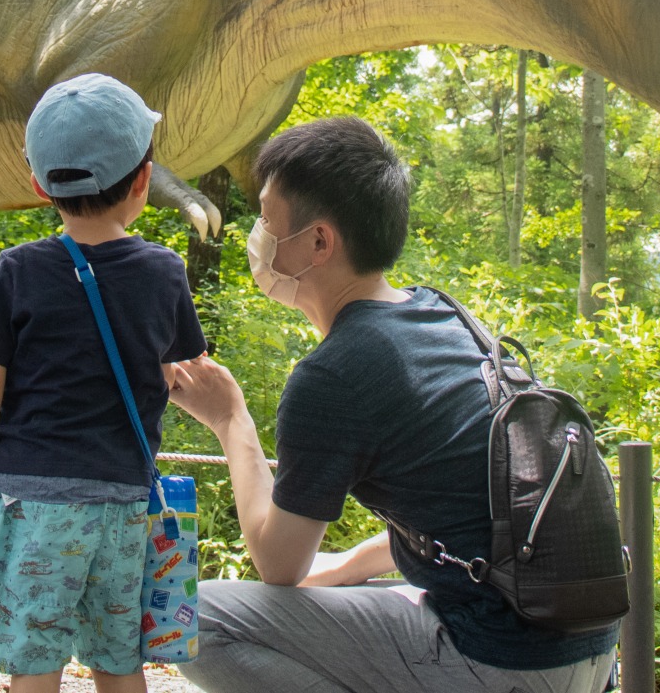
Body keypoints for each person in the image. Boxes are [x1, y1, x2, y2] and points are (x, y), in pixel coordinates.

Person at [166, 116, 618, 693]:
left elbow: (278, 564)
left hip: (503, 661)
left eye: (266, 216)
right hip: (588, 650)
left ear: (319, 242)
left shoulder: (335, 373)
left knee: (193, 618)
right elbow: (474, 511)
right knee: (344, 587)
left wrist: (231, 419)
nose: (256, 233)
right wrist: (345, 568)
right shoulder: (443, 314)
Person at [0, 73, 209, 693]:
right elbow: (172, 370)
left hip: (29, 500)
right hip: (120, 501)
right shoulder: (162, 272)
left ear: (40, 184)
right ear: (144, 180)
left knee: (34, 662)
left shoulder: (16, 271)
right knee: (118, 660)